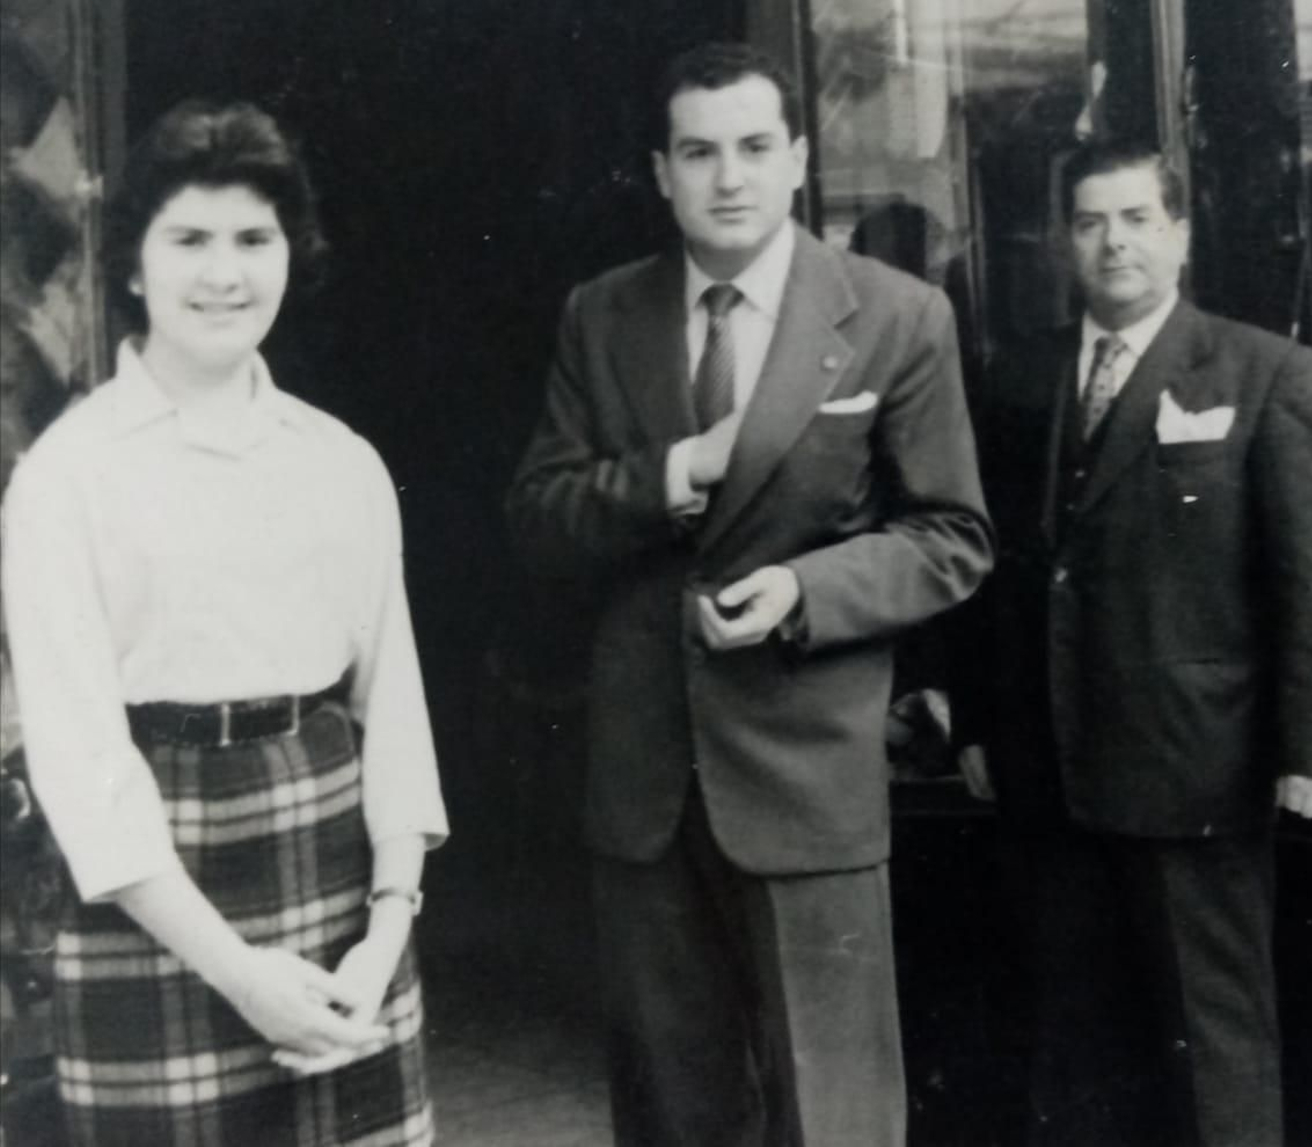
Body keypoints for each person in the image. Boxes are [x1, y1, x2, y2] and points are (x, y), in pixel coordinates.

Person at [505, 41, 992, 1147]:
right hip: (645, 788)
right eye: (699, 151)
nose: (728, 177)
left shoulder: (893, 315)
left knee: (835, 1115)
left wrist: (804, 590)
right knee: (674, 1114)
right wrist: (673, 474)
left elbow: (951, 536)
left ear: (798, 160)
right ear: (661, 171)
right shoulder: (602, 314)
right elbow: (537, 518)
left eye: (754, 148)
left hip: (806, 777)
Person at [1, 100, 448, 1145]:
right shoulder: (67, 477)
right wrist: (243, 977)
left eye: (254, 239)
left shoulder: (340, 461)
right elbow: (82, 765)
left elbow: (396, 712)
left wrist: (386, 930)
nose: (224, 274)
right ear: (130, 264)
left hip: (338, 899)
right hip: (153, 908)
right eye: (189, 240)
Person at [955, 138, 1312, 1146]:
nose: (1113, 243)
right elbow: (991, 569)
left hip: (1199, 772)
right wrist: (975, 720)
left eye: (1137, 218)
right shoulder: (1020, 377)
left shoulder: (1264, 371)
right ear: (1063, 240)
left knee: (1213, 1041)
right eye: (1091, 221)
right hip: (1051, 769)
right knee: (1073, 1041)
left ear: (1179, 233)